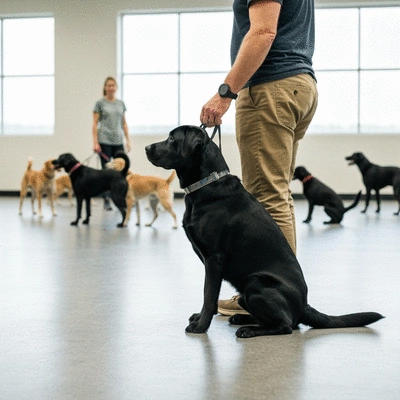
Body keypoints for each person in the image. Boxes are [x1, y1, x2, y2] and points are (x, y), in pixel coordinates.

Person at [200, 0, 318, 315]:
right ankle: (280, 292)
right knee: (277, 194)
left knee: (267, 195)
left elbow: (263, 31)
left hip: (270, 85)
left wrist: (225, 93)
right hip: (298, 84)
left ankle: (275, 296)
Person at [92, 76, 131, 210]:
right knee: (107, 171)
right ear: (105, 87)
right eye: (108, 85)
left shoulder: (121, 104)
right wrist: (95, 142)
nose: (111, 88)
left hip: (118, 140)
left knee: (121, 169)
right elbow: (95, 124)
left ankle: (121, 196)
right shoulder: (100, 103)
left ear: (116, 87)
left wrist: (128, 139)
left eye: (113, 85)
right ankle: (107, 199)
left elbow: (124, 123)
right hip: (104, 140)